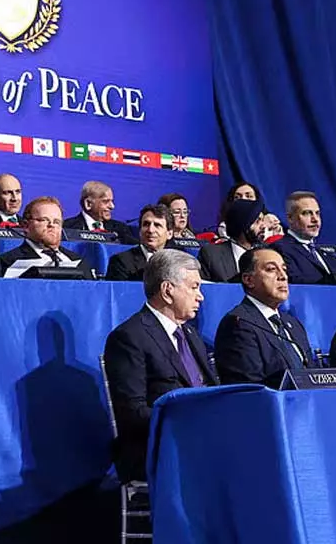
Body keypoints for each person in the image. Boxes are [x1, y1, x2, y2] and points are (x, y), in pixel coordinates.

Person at [103, 249, 215, 482]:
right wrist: (191, 419)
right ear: (167, 290)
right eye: (194, 287)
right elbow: (132, 413)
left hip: (200, 440)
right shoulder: (129, 337)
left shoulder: (192, 335)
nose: (201, 297)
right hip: (156, 449)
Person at [214, 247, 314, 386]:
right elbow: (249, 386)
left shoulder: (292, 323)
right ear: (248, 280)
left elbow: (312, 375)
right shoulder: (238, 324)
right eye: (271, 269)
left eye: (284, 269)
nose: (283, 276)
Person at [0, 196, 92, 277]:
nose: (51, 225)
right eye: (44, 220)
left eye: (57, 222)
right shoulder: (7, 262)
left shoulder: (78, 262)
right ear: (26, 225)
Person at [273, 190, 336, 284]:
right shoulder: (279, 250)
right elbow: (292, 281)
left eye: (317, 213)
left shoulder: (331, 258)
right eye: (307, 213)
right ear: (290, 218)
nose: (315, 219)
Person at [198, 197, 264, 283]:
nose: (263, 226)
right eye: (257, 221)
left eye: (262, 220)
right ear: (243, 225)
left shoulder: (268, 252)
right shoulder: (211, 255)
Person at [105, 204, 173, 281]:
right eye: (146, 224)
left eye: (157, 225)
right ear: (140, 231)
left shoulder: (176, 262)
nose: (150, 230)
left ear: (169, 234)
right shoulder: (120, 262)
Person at [63, 180, 137, 244]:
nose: (112, 206)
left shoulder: (121, 230)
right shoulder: (67, 228)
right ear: (88, 203)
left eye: (112, 201)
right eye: (106, 201)